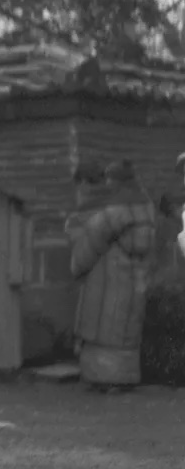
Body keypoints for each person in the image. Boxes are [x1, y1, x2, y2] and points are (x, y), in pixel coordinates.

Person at [66, 160, 156, 389]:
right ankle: (124, 379)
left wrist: (77, 263)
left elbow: (92, 240)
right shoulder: (146, 206)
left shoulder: (115, 210)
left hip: (110, 281)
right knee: (126, 332)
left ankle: (103, 378)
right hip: (135, 282)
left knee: (105, 330)